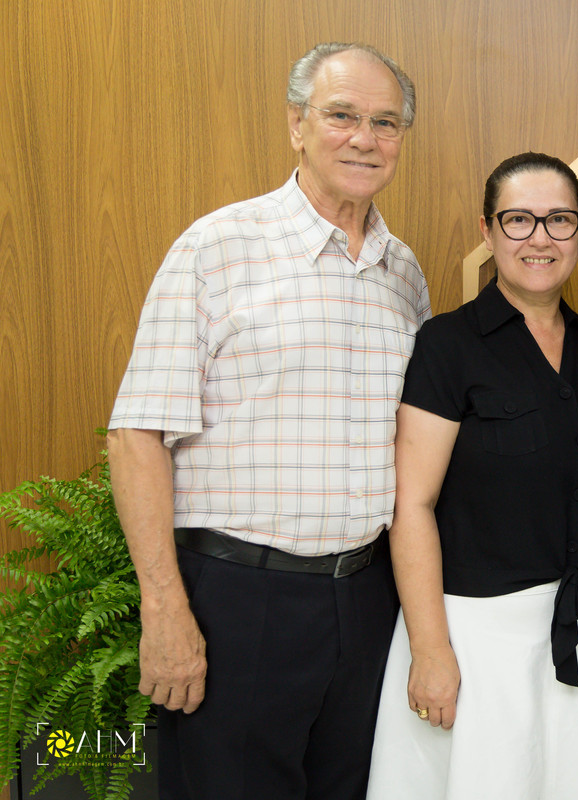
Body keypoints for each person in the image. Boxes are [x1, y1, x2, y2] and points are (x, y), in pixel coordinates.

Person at [106, 42, 429, 799]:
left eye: (385, 123)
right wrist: (164, 607)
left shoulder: (404, 273)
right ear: (296, 125)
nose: (365, 138)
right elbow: (136, 434)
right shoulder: (218, 248)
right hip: (240, 603)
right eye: (342, 115)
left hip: (366, 600)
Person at [365, 152, 578, 800]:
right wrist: (431, 651)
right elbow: (412, 504)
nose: (540, 238)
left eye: (559, 219)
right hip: (474, 641)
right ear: (488, 231)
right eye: (519, 220)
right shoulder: (448, 346)